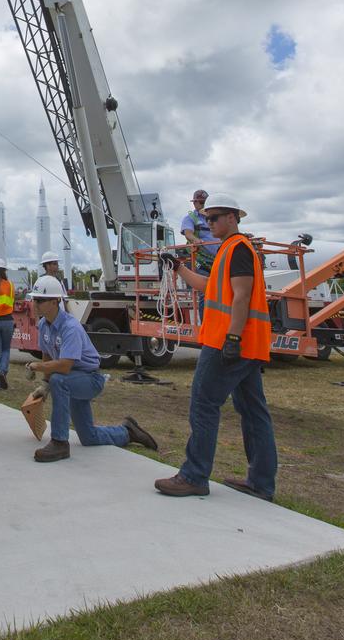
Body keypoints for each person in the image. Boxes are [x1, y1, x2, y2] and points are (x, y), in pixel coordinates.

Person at [155, 195, 278, 500]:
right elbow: (210, 286)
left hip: (228, 343)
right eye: (206, 219)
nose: (207, 224)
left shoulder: (237, 248)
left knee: (204, 403)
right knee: (252, 410)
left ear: (232, 218)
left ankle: (194, 475)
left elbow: (241, 296)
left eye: (213, 218)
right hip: (244, 344)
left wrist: (233, 339)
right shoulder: (229, 250)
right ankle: (261, 483)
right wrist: (179, 268)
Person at [26, 275, 158, 463]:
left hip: (89, 379)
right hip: (73, 380)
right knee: (89, 437)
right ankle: (127, 431)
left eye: (40, 300)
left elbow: (64, 365)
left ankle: (60, 442)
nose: (35, 304)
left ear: (56, 301)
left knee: (59, 380)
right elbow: (47, 353)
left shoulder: (70, 327)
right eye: (34, 299)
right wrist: (44, 384)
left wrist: (38, 368)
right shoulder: (43, 325)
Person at [180, 190, 219, 274]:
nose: (204, 205)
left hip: (218, 259)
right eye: (201, 202)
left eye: (206, 202)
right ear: (194, 203)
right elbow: (188, 234)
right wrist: (196, 240)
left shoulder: (214, 217)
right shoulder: (189, 218)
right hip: (200, 260)